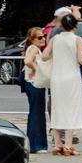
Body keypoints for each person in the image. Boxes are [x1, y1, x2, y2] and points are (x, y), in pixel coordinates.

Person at [43, 11, 82, 158]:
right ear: (75, 25)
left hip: (57, 77)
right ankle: (68, 145)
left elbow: (44, 56)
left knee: (56, 108)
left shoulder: (55, 39)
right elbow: (81, 60)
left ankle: (57, 144)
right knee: (72, 109)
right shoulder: (78, 39)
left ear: (61, 25)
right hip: (72, 78)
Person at [16, 25, 51, 154]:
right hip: (34, 84)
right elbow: (27, 61)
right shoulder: (34, 48)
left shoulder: (33, 48)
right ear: (32, 39)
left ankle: (35, 144)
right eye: (39, 37)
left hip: (33, 84)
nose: (43, 39)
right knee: (37, 113)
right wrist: (37, 70)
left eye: (44, 36)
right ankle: (37, 145)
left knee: (36, 112)